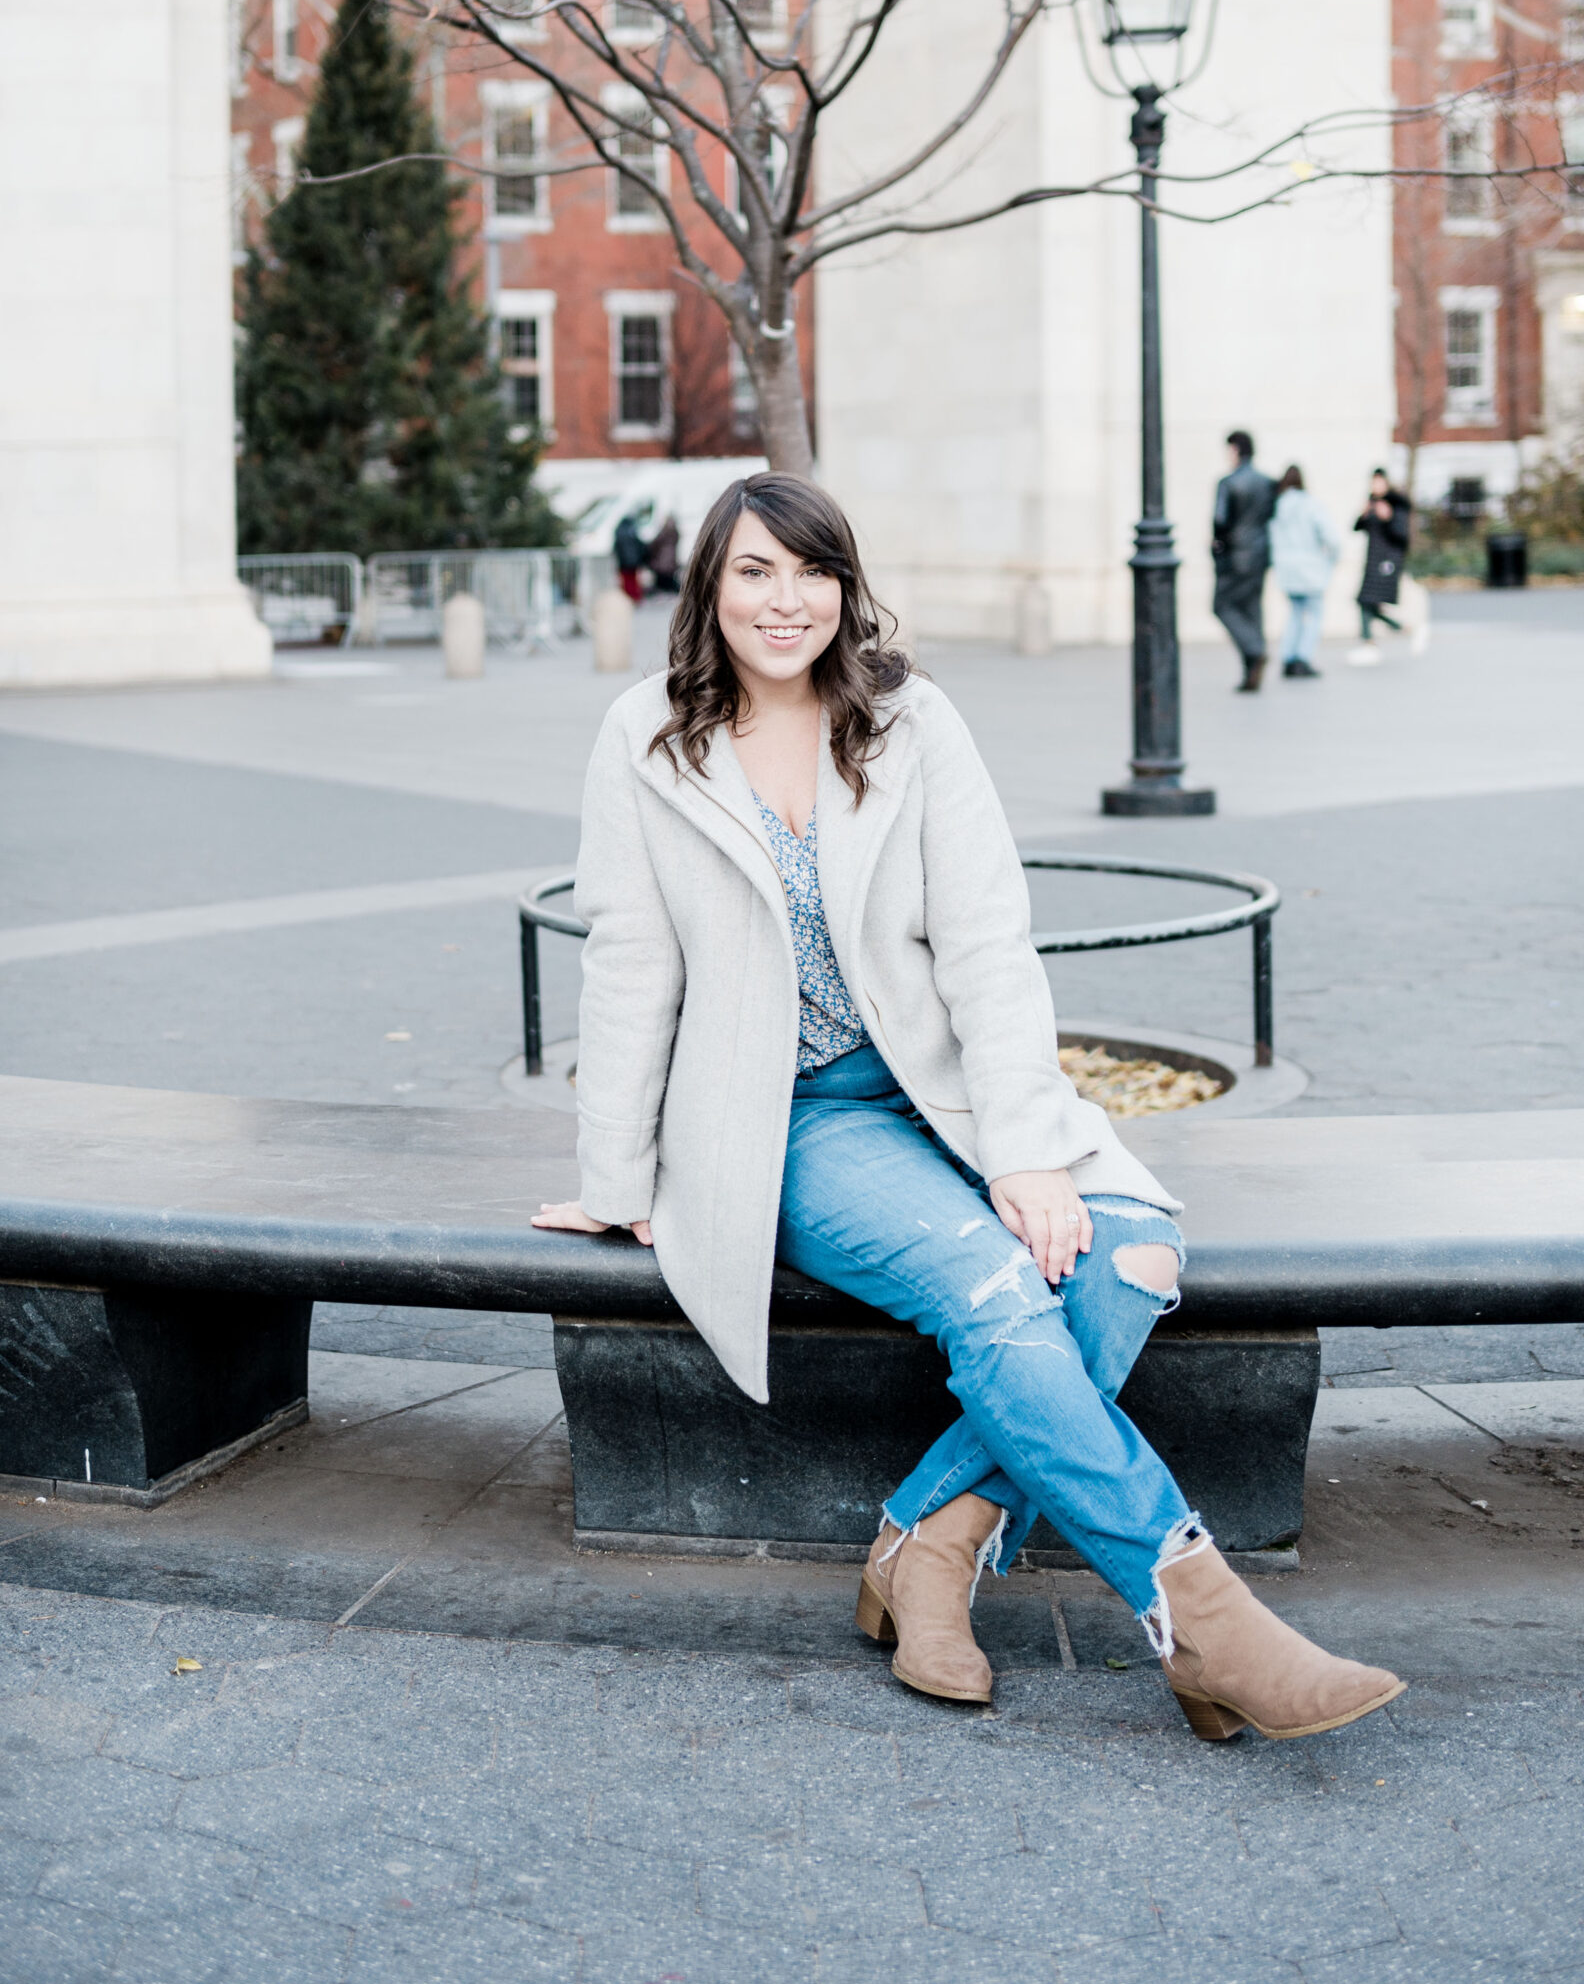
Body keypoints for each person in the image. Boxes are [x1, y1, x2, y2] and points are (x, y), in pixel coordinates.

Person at [532, 472, 1404, 1743]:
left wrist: (1026, 1152)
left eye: (811, 572)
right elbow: (627, 961)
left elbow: (987, 946)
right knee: (996, 1285)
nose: (787, 602)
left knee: (1126, 1252)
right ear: (708, 588)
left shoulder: (909, 721)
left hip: (947, 1088)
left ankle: (925, 1547)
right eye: (754, 573)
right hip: (790, 1121)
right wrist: (616, 1181)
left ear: (846, 584)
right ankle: (1198, 1622)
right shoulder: (648, 734)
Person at [1212, 432, 1278, 692]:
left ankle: (1255, 651)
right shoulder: (1266, 483)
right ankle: (1251, 672)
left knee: (1222, 605)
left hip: (1236, 554)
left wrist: (1219, 546)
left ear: (1236, 450)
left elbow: (1220, 521)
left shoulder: (1228, 483)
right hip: (1260, 553)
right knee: (1251, 609)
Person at [1269, 465, 1342, 679]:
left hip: (1287, 570)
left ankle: (1288, 656)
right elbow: (1332, 538)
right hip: (1311, 569)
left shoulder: (1276, 507)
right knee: (1314, 615)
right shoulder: (1311, 505)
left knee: (1294, 613)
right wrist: (1331, 560)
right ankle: (1303, 657)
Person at [1351, 468, 1411, 662]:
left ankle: (1369, 641)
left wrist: (1388, 519)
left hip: (1387, 561)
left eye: (1379, 482)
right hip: (1372, 559)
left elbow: (1401, 537)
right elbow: (1356, 528)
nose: (1375, 486)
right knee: (1366, 600)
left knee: (1366, 599)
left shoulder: (1396, 505)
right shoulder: (1371, 503)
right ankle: (1396, 627)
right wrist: (1363, 514)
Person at [613, 506, 650, 605]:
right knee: (634, 580)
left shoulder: (618, 531)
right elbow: (640, 545)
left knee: (626, 581)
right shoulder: (632, 530)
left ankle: (628, 598)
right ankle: (636, 597)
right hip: (634, 561)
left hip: (623, 562)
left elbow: (616, 548)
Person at [646, 513, 681, 597]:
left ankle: (661, 589)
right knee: (669, 578)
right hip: (671, 559)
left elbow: (654, 544)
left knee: (661, 576)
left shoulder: (663, 531)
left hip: (662, 559)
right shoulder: (676, 532)